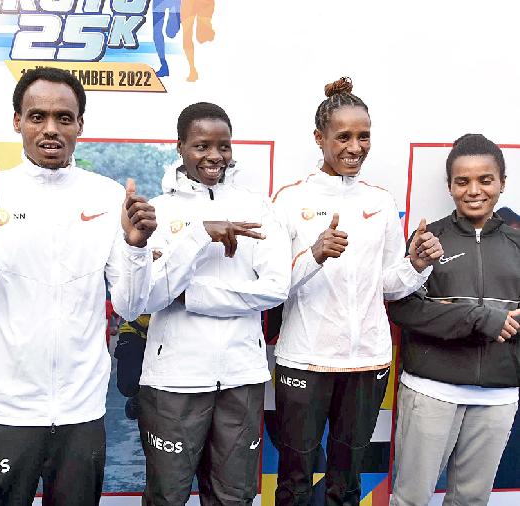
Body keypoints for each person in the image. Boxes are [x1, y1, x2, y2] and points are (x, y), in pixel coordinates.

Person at [0, 67, 156, 506]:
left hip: (81, 410)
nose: (51, 129)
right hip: (5, 411)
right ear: (17, 122)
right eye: (37, 116)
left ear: (80, 125)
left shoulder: (106, 196)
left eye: (64, 118)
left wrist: (136, 247)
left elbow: (129, 303)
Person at [271, 77, 443, 506]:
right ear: (319, 138)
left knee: (347, 481)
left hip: (367, 360)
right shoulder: (290, 200)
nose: (355, 146)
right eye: (343, 136)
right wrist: (314, 254)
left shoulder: (381, 202)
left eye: (363, 136)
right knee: (293, 479)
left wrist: (416, 265)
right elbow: (271, 285)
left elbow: (386, 284)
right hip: (306, 358)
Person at [137, 102, 290, 505]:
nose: (214, 156)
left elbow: (275, 289)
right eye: (201, 145)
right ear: (181, 147)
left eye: (223, 146)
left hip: (242, 374)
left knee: (233, 497)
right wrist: (198, 235)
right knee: (166, 496)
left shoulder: (257, 207)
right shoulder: (159, 210)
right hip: (174, 379)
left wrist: (191, 296)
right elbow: (150, 297)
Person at [388, 134, 520, 506]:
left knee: (471, 501)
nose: (474, 190)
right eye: (463, 181)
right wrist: (480, 319)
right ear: (450, 186)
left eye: (485, 180)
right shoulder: (429, 240)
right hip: (432, 393)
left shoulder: (517, 243)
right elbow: (403, 308)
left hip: (499, 395)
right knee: (411, 499)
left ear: (502, 184)